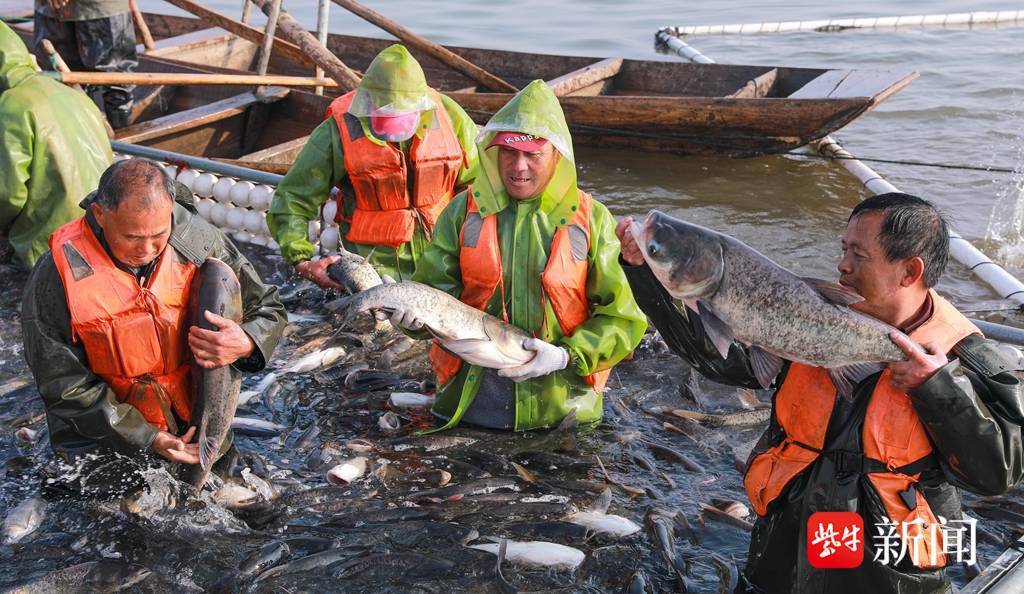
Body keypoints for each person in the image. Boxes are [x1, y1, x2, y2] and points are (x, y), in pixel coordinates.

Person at [616, 193, 1024, 593]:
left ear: (910, 271)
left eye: (859, 255)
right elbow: (717, 361)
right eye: (843, 248)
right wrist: (644, 272)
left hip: (887, 573)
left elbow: (998, 473)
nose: (842, 265)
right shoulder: (810, 315)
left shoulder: (965, 354)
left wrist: (938, 389)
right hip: (786, 549)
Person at [390, 79, 646, 431]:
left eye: (532, 154)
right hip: (468, 409)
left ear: (556, 155)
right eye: (509, 152)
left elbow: (623, 319)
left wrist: (565, 356)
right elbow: (431, 294)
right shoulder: (462, 212)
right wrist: (412, 322)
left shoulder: (594, 220)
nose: (518, 166)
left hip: (564, 412)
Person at [21, 159, 287, 494]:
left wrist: (247, 341)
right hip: (104, 446)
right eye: (132, 237)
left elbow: (269, 308)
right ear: (101, 215)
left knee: (257, 515)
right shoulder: (56, 275)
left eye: (159, 235)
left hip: (198, 431)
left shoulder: (199, 241)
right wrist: (146, 437)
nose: (146, 250)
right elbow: (62, 383)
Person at [267, 44, 479, 289]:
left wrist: (473, 251)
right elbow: (294, 196)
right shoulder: (337, 130)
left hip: (444, 261)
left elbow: (479, 187)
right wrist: (302, 260)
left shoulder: (449, 116)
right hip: (371, 269)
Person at [0, 21, 111, 270]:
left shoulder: (12, 104)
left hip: (47, 245)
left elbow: (8, 194)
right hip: (99, 234)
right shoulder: (71, 94)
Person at [33, 0, 138, 128]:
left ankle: (120, 137)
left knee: (116, 86)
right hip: (60, 11)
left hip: (97, 9)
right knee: (61, 85)